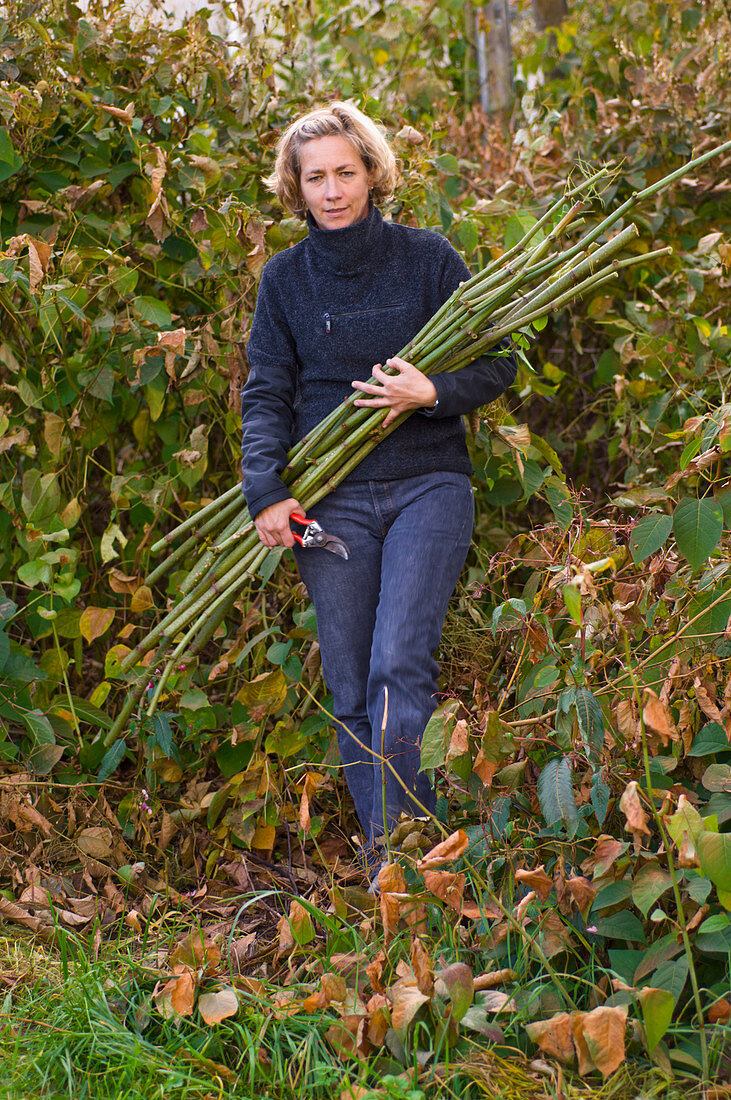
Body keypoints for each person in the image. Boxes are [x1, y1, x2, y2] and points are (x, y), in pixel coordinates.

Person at [241, 102, 516, 876]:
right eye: (314, 177)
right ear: (296, 188)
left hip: (428, 484)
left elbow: (499, 362)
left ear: (372, 172)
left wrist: (430, 391)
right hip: (328, 502)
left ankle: (413, 861)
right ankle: (386, 862)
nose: (332, 191)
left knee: (399, 660)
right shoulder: (286, 279)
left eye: (345, 172)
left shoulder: (426, 258)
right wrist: (265, 490)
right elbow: (267, 390)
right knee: (351, 677)